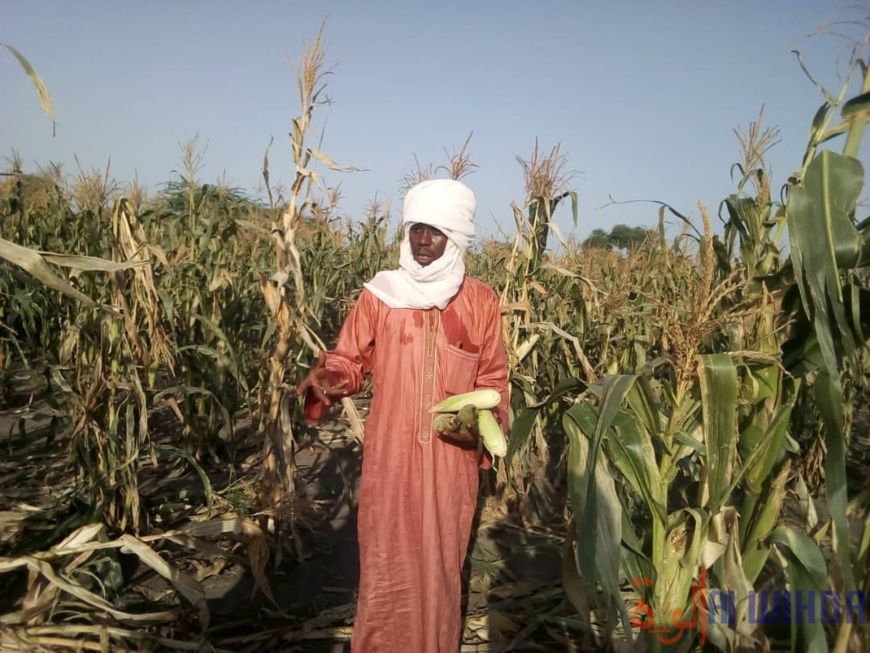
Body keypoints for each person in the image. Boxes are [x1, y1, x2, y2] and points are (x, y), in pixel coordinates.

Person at [297, 178, 509, 652]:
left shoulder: (480, 302)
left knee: (439, 564)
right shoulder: (381, 295)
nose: (423, 241)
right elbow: (348, 359)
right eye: (416, 229)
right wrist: (330, 379)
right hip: (390, 459)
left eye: (434, 231)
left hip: (450, 465)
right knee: (386, 564)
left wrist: (480, 429)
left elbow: (493, 382)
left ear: (455, 237)